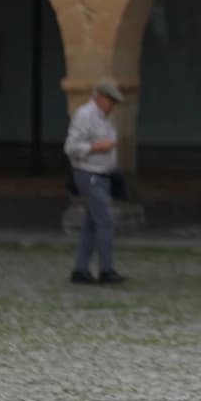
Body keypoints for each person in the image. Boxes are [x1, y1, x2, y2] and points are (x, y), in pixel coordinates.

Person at [64, 78, 126, 285]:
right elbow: (71, 147)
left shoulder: (104, 118)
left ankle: (80, 270)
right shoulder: (85, 115)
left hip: (102, 176)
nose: (113, 106)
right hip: (88, 175)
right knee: (105, 221)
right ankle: (106, 270)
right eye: (111, 101)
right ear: (99, 97)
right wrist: (95, 148)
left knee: (92, 224)